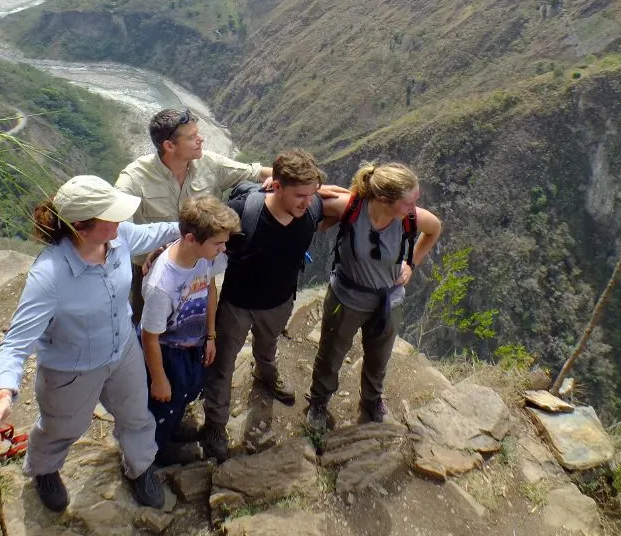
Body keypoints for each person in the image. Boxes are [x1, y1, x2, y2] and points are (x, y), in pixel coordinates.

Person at [0, 175, 180, 512]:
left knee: (136, 415)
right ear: (80, 226)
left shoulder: (119, 238)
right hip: (71, 370)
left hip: (123, 352)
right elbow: (16, 343)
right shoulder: (50, 276)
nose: (120, 221)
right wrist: (2, 391)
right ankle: (44, 469)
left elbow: (155, 232)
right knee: (61, 427)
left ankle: (140, 465)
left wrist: (196, 223)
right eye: (111, 216)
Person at [200, 149, 327, 462]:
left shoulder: (311, 209)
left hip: (279, 301)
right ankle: (215, 425)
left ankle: (266, 376)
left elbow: (341, 198)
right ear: (277, 186)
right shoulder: (243, 211)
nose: (307, 202)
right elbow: (204, 239)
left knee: (267, 346)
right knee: (222, 366)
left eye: (311, 194)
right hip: (236, 305)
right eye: (300, 195)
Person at [305, 162, 442, 431]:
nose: (413, 207)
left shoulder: (410, 218)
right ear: (383, 199)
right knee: (331, 353)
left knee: (379, 356)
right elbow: (307, 203)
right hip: (346, 298)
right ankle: (319, 402)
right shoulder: (352, 208)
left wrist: (411, 263)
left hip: (387, 301)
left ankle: (371, 400)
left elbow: (434, 229)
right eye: (408, 202)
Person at [115, 108, 273, 325]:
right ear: (169, 146)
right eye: (191, 137)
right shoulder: (135, 178)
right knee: (147, 331)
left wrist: (295, 182)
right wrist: (146, 248)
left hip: (200, 266)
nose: (201, 139)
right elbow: (115, 228)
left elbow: (255, 172)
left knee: (194, 331)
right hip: (150, 272)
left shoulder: (210, 164)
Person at [140, 195, 239, 465]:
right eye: (218, 243)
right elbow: (150, 337)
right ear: (192, 239)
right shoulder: (162, 284)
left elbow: (209, 290)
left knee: (188, 389)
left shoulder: (204, 257)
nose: (223, 248)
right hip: (167, 350)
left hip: (193, 343)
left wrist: (210, 336)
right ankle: (155, 452)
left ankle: (172, 426)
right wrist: (159, 378)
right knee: (163, 399)